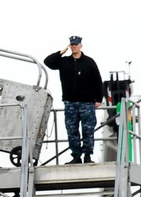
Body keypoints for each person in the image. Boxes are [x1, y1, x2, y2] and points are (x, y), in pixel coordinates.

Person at [44, 36, 104, 164]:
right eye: (72, 44)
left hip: (87, 102)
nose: (74, 46)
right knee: (72, 130)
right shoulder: (64, 61)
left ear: (81, 45)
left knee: (88, 130)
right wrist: (61, 52)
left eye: (76, 44)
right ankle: (76, 156)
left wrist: (98, 98)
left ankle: (87, 156)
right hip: (70, 102)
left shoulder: (89, 62)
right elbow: (48, 62)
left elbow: (98, 81)